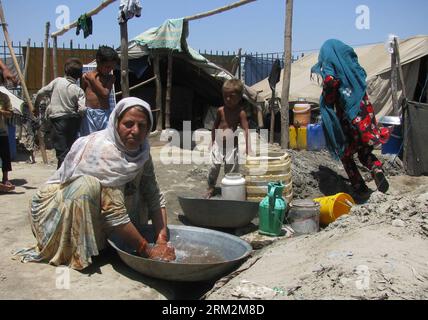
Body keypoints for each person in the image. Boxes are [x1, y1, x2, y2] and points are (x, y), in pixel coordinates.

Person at [311, 39, 390, 196]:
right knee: (364, 150)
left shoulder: (331, 73)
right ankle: (376, 168)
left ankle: (359, 187)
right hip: (365, 112)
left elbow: (330, 95)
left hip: (349, 118)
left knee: (346, 155)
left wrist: (326, 95)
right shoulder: (353, 69)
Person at [35, 58, 86, 169]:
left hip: (58, 121)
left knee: (62, 151)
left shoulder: (57, 81)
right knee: (70, 149)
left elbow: (40, 93)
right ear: (79, 76)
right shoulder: (79, 90)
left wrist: (35, 107)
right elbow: (82, 109)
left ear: (65, 71)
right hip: (73, 121)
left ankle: (61, 176)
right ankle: (68, 174)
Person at [205, 79, 250, 198]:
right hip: (218, 145)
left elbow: (246, 130)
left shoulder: (241, 113)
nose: (228, 99)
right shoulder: (221, 111)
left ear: (240, 97)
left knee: (231, 170)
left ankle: (229, 190)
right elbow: (215, 126)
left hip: (232, 147)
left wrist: (248, 146)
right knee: (214, 167)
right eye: (225, 97)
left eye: (232, 96)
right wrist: (212, 140)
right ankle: (211, 187)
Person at [80, 45, 119, 136]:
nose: (110, 70)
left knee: (106, 138)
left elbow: (105, 93)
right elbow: (81, 93)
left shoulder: (111, 78)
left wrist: (93, 80)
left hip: (105, 114)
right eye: (107, 67)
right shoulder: (85, 78)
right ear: (98, 62)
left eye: (112, 67)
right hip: (89, 114)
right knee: (90, 138)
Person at [0, 59, 18, 192]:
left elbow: (10, 113)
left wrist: (2, 112)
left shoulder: (4, 98)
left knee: (5, 156)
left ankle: (5, 178)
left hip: (2, 131)